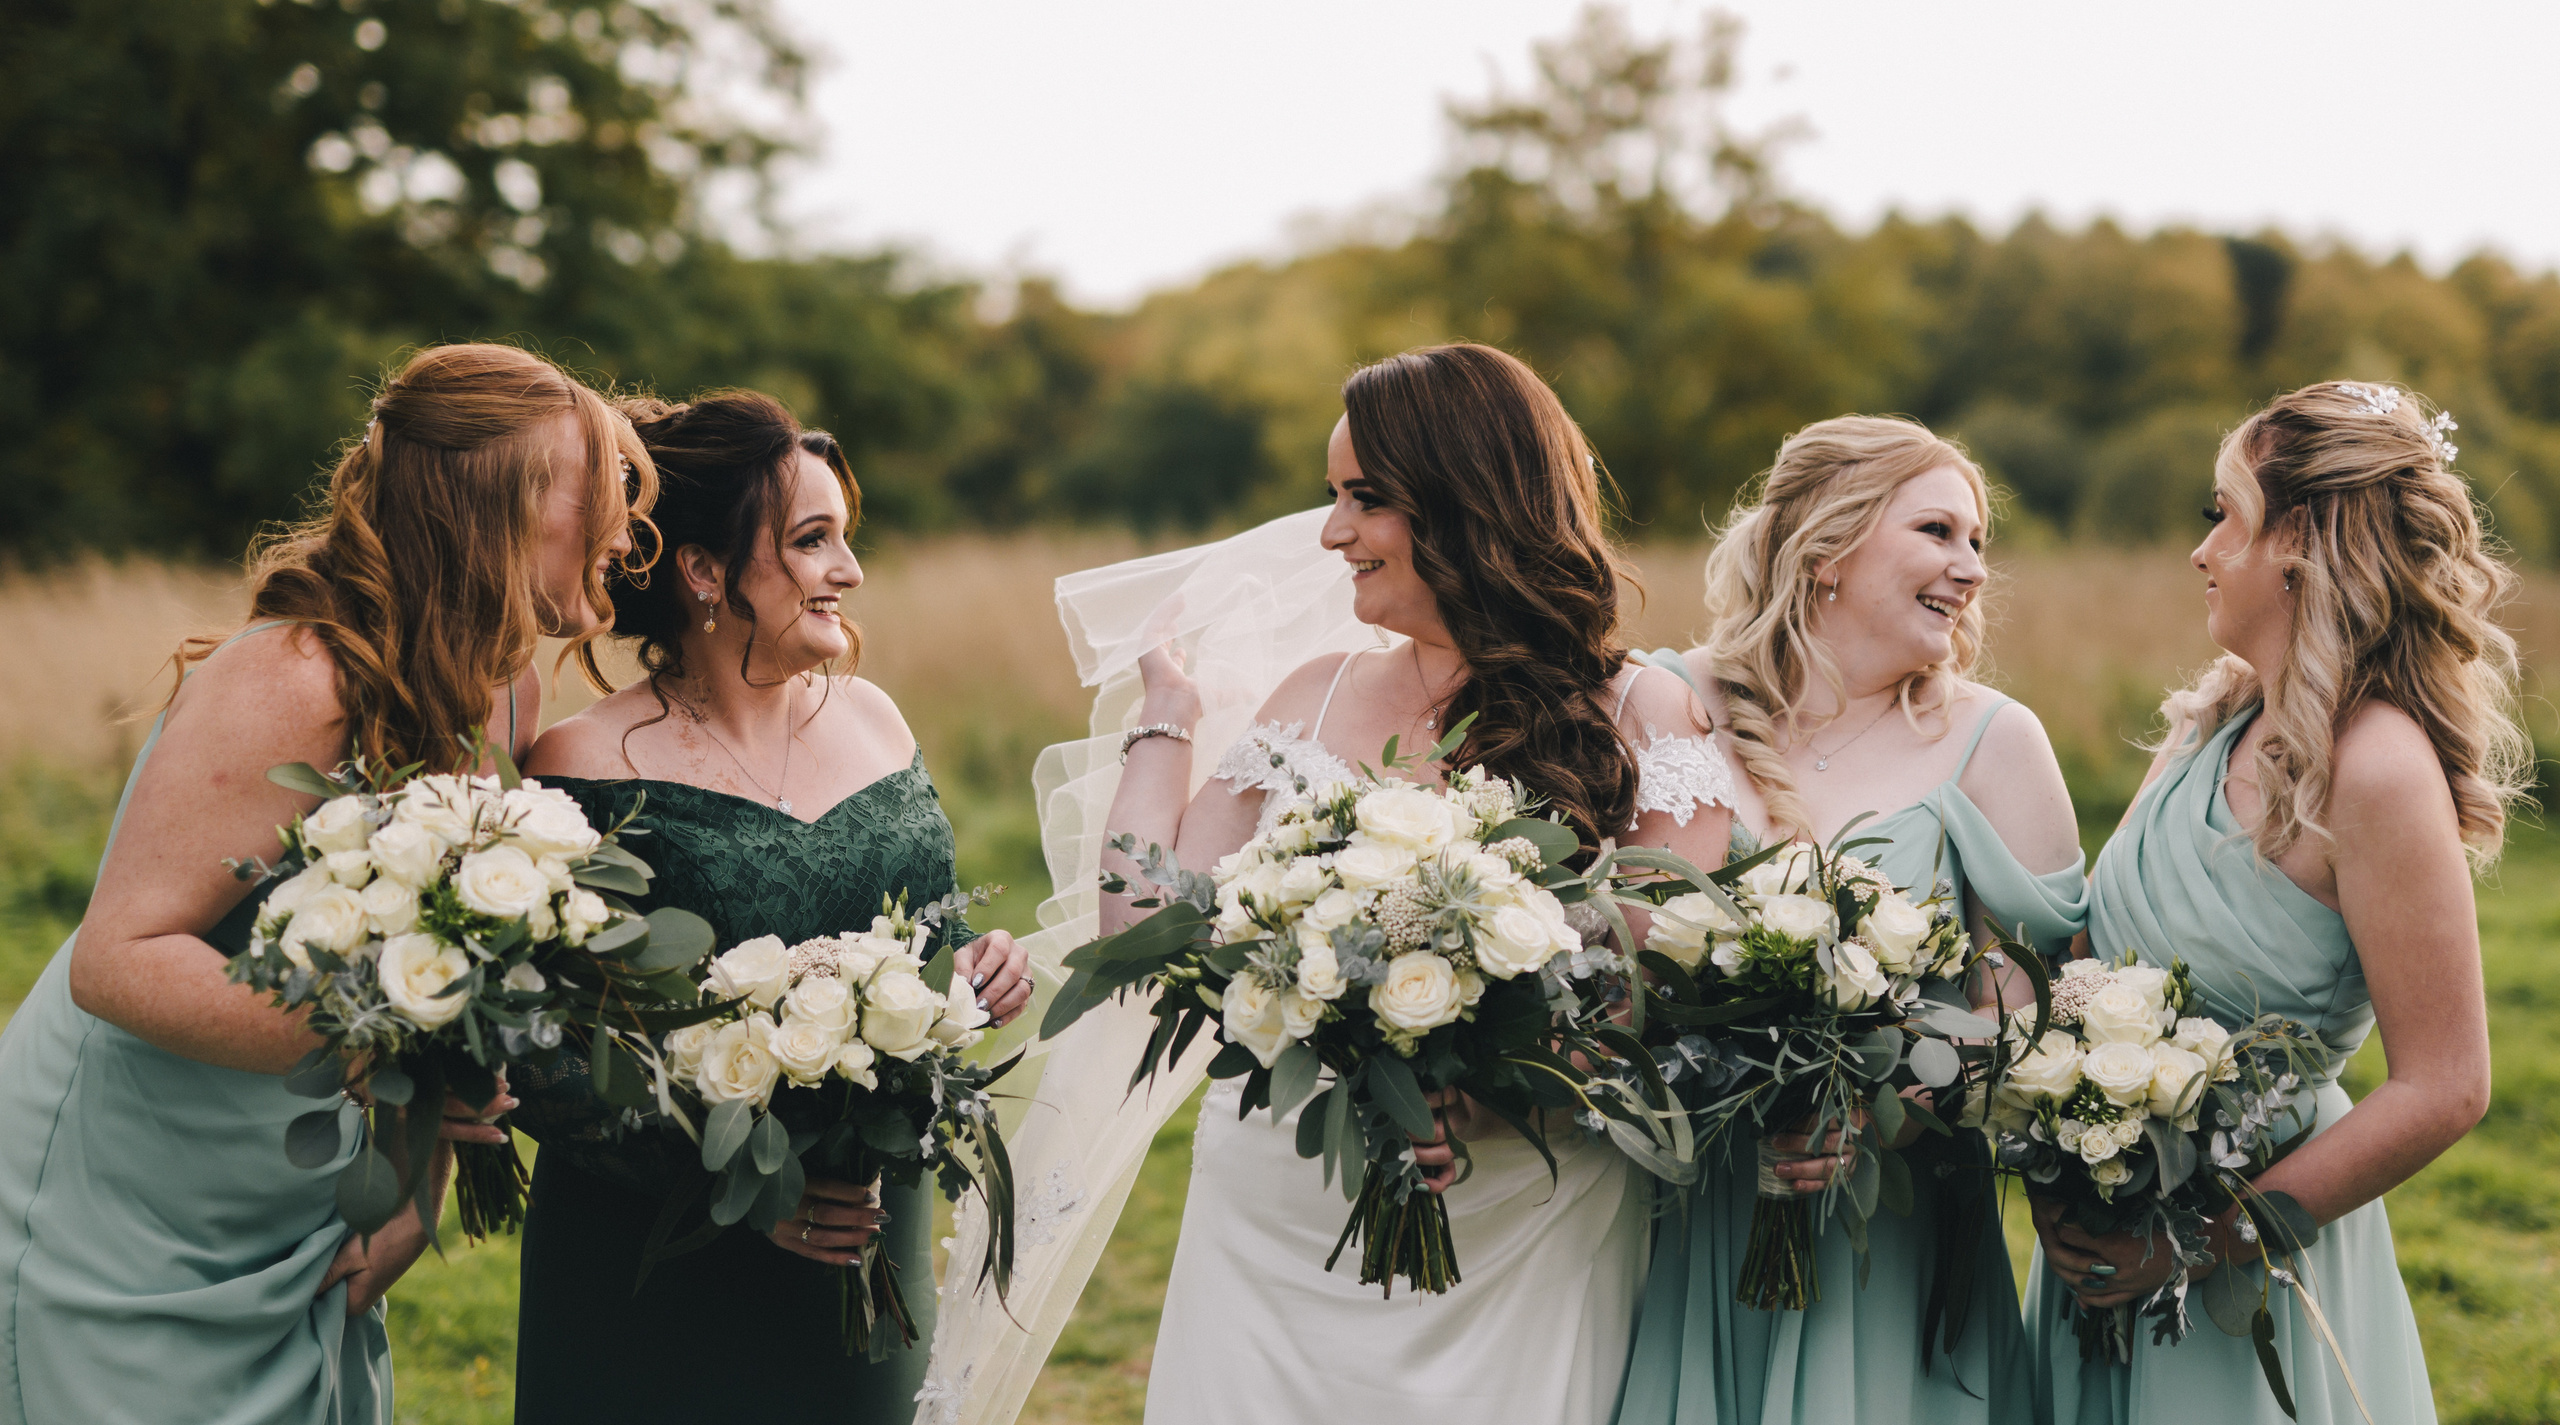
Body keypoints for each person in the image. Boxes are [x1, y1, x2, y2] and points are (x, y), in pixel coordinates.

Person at [0, 342, 647, 1425]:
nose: (624, 533)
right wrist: (377, 1045)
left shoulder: (504, 692)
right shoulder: (295, 676)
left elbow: (450, 968)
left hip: (300, 1190)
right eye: (601, 497)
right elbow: (118, 963)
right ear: (493, 504)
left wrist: (410, 1185)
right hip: (129, 1196)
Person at [1107, 343, 1738, 1424]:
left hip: (1515, 1221)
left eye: (1363, 499)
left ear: (1465, 505)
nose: (1330, 534)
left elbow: (1653, 989)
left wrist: (1479, 1092)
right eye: (1331, 497)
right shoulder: (1312, 694)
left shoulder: (1643, 715)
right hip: (1281, 1207)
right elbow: (1148, 920)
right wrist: (1166, 717)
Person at [513, 389, 1033, 1423]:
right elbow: (534, 1042)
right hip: (666, 1265)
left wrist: (976, 971)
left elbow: (925, 930)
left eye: (845, 536)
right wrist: (743, 1186)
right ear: (704, 571)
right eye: (811, 541)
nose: (850, 570)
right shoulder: (583, 766)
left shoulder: (874, 718)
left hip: (861, 1238)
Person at [2025, 382, 2519, 1424]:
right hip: (2100, 1238)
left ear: (2298, 538)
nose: (2201, 551)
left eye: (2223, 515)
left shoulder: (2376, 767)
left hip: (2242, 1267)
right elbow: (2090, 949)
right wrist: (2052, 1151)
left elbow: (2446, 1084)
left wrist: (2196, 1246)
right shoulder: (2215, 715)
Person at [1614, 415, 2087, 1425]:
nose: (1969, 570)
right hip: (1696, 1213)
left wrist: (1888, 1106)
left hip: (1894, 1228)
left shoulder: (1995, 740)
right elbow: (1612, 944)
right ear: (1826, 550)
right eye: (1936, 532)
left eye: (1976, 544)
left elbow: (2040, 1008)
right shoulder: (1670, 700)